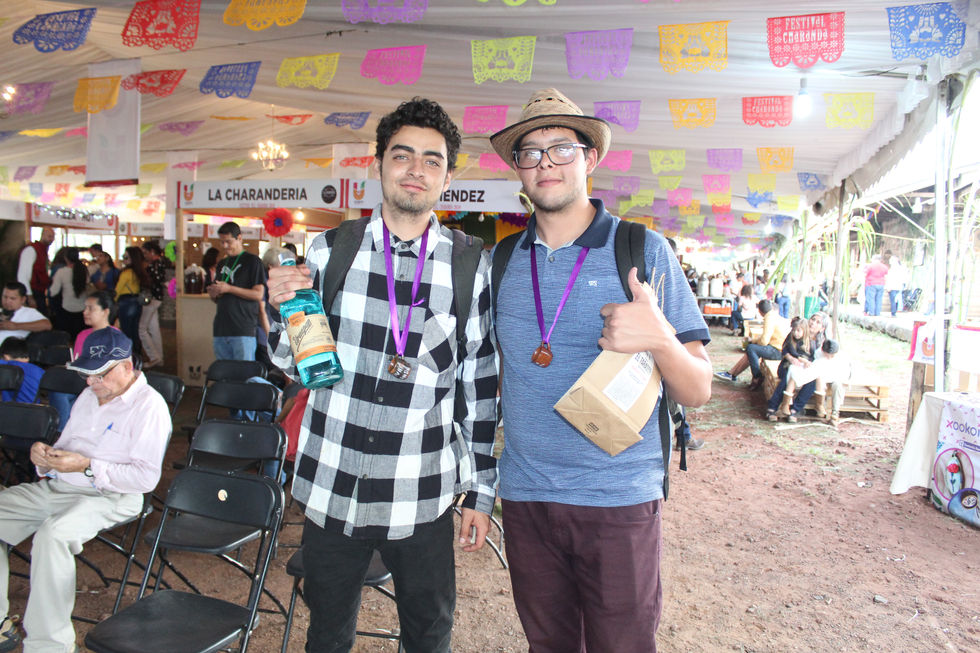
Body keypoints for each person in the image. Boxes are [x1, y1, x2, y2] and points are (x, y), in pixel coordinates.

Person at [266, 97, 498, 653]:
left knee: (428, 633)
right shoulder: (330, 250)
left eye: (432, 160)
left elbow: (480, 386)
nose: (416, 169)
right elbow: (292, 364)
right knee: (326, 633)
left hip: (421, 491)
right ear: (379, 164)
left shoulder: (469, 265)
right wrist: (278, 312)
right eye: (402, 155)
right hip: (332, 482)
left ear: (447, 177)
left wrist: (481, 490)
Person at [489, 87, 711, 652]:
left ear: (590, 158)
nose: (545, 163)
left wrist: (659, 336)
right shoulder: (501, 261)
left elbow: (699, 388)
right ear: (518, 169)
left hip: (618, 500)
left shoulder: (642, 250)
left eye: (561, 148)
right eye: (530, 152)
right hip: (526, 497)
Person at [0, 328, 170, 652]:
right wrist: (45, 457)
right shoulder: (88, 396)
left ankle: (50, 646)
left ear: (127, 366)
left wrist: (86, 466)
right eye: (86, 375)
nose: (92, 383)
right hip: (62, 486)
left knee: (53, 536)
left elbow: (145, 479)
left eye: (100, 375)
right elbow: (65, 447)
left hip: (114, 495)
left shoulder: (150, 406)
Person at [208, 222, 266, 361]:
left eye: (228, 241)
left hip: (242, 329)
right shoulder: (222, 263)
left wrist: (229, 289)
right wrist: (214, 293)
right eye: (222, 242)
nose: (224, 246)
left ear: (239, 238)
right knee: (223, 371)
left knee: (244, 371)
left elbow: (258, 294)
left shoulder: (253, 261)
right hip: (221, 328)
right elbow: (216, 298)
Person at [715, 298, 788, 391]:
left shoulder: (769, 318)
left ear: (760, 311)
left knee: (751, 348)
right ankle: (731, 374)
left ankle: (757, 376)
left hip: (778, 351)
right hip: (780, 349)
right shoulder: (774, 315)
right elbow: (765, 337)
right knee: (751, 351)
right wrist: (754, 340)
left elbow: (764, 341)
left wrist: (753, 341)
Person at [774, 338, 850, 427]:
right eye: (827, 355)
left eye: (831, 355)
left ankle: (835, 412)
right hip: (820, 375)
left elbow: (845, 373)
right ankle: (813, 406)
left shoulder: (842, 357)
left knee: (838, 385)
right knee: (803, 376)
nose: (829, 357)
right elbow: (813, 366)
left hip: (837, 376)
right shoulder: (818, 353)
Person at [764, 317, 814, 421]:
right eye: (794, 330)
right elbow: (785, 350)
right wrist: (791, 358)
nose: (795, 333)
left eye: (798, 331)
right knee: (786, 379)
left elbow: (811, 358)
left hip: (802, 369)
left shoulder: (810, 343)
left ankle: (795, 409)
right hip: (786, 366)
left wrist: (805, 362)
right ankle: (773, 407)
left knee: (811, 382)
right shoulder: (790, 338)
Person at [115, 247, 150, 362]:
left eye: (126, 257)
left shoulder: (126, 273)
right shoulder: (139, 272)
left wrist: (113, 302)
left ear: (132, 259)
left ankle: (129, 357)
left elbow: (118, 290)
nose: (123, 259)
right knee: (134, 331)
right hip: (137, 302)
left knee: (126, 332)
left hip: (126, 302)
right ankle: (137, 356)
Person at [48, 247, 89, 339]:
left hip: (66, 309)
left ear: (65, 258)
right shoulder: (84, 270)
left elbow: (53, 292)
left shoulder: (61, 272)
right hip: (82, 309)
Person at [139, 241, 166, 368]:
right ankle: (159, 358)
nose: (144, 256)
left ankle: (154, 357)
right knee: (153, 329)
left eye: (145, 253)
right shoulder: (160, 263)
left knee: (142, 329)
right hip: (156, 298)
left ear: (152, 252)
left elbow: (153, 281)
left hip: (151, 299)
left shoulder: (154, 265)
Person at [16, 227, 55, 315]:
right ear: (42, 235)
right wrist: (29, 296)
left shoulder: (43, 251)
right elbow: (22, 275)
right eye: (49, 236)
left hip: (39, 291)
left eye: (52, 237)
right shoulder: (31, 249)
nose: (51, 239)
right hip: (32, 292)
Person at [0, 282, 52, 348]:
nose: (7, 301)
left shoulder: (28, 312)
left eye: (12, 298)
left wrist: (16, 326)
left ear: (23, 299)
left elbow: (47, 325)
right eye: (5, 297)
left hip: (9, 350)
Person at [0, 338, 43, 404]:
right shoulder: (39, 370)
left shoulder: (6, 365)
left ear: (6, 356)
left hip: (9, 408)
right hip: (35, 409)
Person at [884, 253, 908, 317]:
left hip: (893, 287)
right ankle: (896, 310)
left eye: (891, 260)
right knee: (896, 299)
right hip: (898, 286)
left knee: (893, 300)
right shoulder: (901, 268)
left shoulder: (893, 269)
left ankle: (893, 313)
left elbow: (890, 279)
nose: (890, 261)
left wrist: (888, 287)